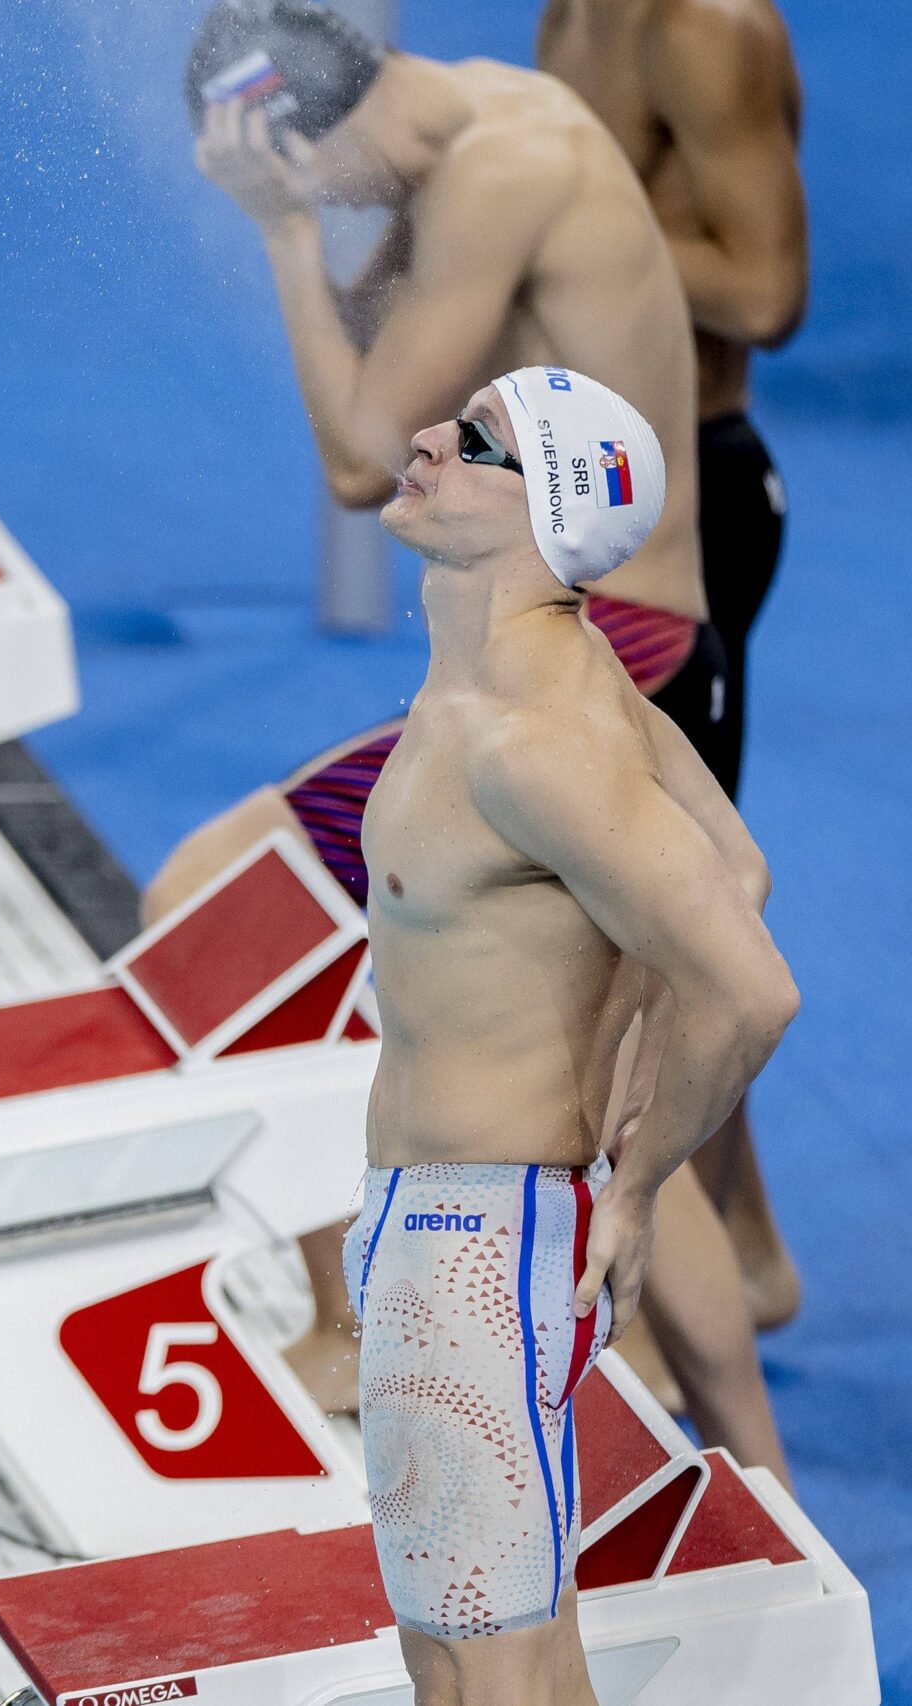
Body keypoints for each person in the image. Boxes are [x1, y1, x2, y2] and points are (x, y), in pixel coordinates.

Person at [171, 0, 790, 1478]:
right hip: (638, 638)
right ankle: (747, 1451)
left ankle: (357, 1331)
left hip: (608, 638)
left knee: (214, 895)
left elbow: (358, 455)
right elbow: (389, 374)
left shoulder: (496, 170)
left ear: (304, 138)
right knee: (619, 1079)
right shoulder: (476, 127)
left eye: (297, 176)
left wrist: (281, 238)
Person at [343, 368, 797, 1700]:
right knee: (493, 1653)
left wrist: (640, 1180)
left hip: (470, 1241)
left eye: (476, 443)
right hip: (467, 1229)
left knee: (483, 1672)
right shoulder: (557, 682)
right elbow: (736, 866)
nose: (428, 438)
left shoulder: (529, 745)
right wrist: (628, 1076)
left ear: (547, 513)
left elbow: (750, 986)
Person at [538, 0, 810, 1332]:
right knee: (630, 907)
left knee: (645, 919)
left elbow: (765, 291)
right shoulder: (570, 10)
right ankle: (742, 1247)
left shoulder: (703, 25)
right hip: (590, 499)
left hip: (689, 508)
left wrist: (555, 217)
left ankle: (689, 1278)